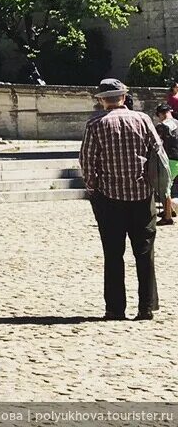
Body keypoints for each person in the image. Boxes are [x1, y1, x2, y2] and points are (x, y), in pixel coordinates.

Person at [79, 77, 167, 320]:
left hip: (110, 197)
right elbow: (157, 152)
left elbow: (87, 161)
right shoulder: (143, 119)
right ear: (124, 96)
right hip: (142, 195)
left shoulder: (95, 125)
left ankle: (115, 309)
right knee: (145, 252)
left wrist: (93, 187)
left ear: (102, 100)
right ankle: (146, 307)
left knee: (113, 254)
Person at [154, 103, 178, 226]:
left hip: (170, 159)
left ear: (160, 114)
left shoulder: (162, 126)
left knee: (165, 188)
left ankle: (168, 217)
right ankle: (169, 210)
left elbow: (156, 143)